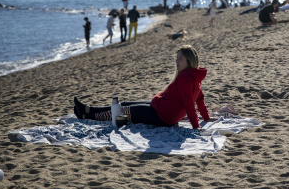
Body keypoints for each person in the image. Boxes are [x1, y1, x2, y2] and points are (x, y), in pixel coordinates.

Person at [73, 45, 216, 129]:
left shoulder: (186, 78)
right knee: (126, 104)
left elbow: (190, 104)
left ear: (189, 61)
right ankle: (89, 109)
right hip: (163, 109)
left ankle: (86, 116)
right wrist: (206, 118)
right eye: (176, 57)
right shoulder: (193, 76)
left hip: (163, 116)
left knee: (124, 111)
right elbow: (200, 99)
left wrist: (196, 126)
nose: (176, 61)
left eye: (180, 58)